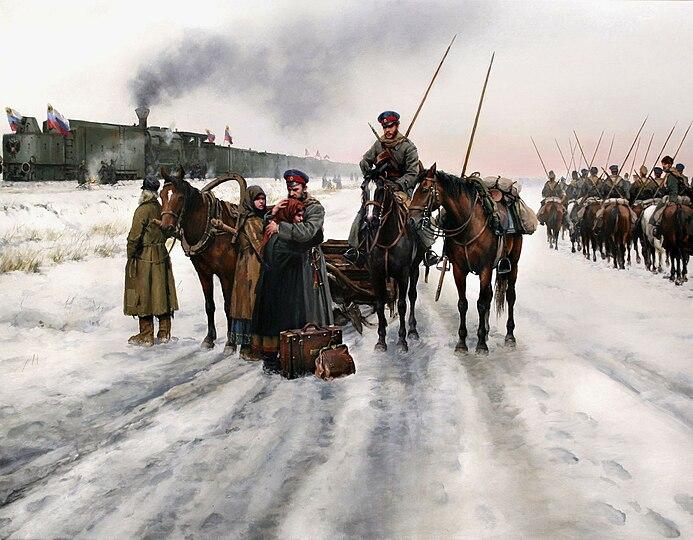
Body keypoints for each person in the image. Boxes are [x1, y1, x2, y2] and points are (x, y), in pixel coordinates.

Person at [348, 110, 440, 265]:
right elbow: (364, 162)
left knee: (415, 217)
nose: (387, 130)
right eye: (385, 127)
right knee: (364, 212)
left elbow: (412, 173)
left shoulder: (408, 147)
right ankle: (358, 249)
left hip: (401, 189)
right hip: (381, 186)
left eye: (390, 126)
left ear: (397, 126)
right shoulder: (379, 144)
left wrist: (397, 184)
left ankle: (426, 251)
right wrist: (372, 170)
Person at [212, 186, 267, 359]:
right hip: (253, 266)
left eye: (263, 199)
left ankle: (247, 347)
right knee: (253, 305)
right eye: (257, 199)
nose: (261, 202)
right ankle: (252, 349)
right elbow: (261, 247)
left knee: (247, 306)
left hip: (246, 266)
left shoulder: (248, 217)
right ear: (250, 201)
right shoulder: (252, 221)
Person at [124, 176, 178, 346]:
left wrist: (131, 255)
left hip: (145, 256)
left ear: (144, 192)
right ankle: (164, 332)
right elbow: (169, 231)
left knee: (144, 294)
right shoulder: (161, 209)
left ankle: (146, 335)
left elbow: (134, 237)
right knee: (162, 293)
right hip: (161, 254)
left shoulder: (142, 210)